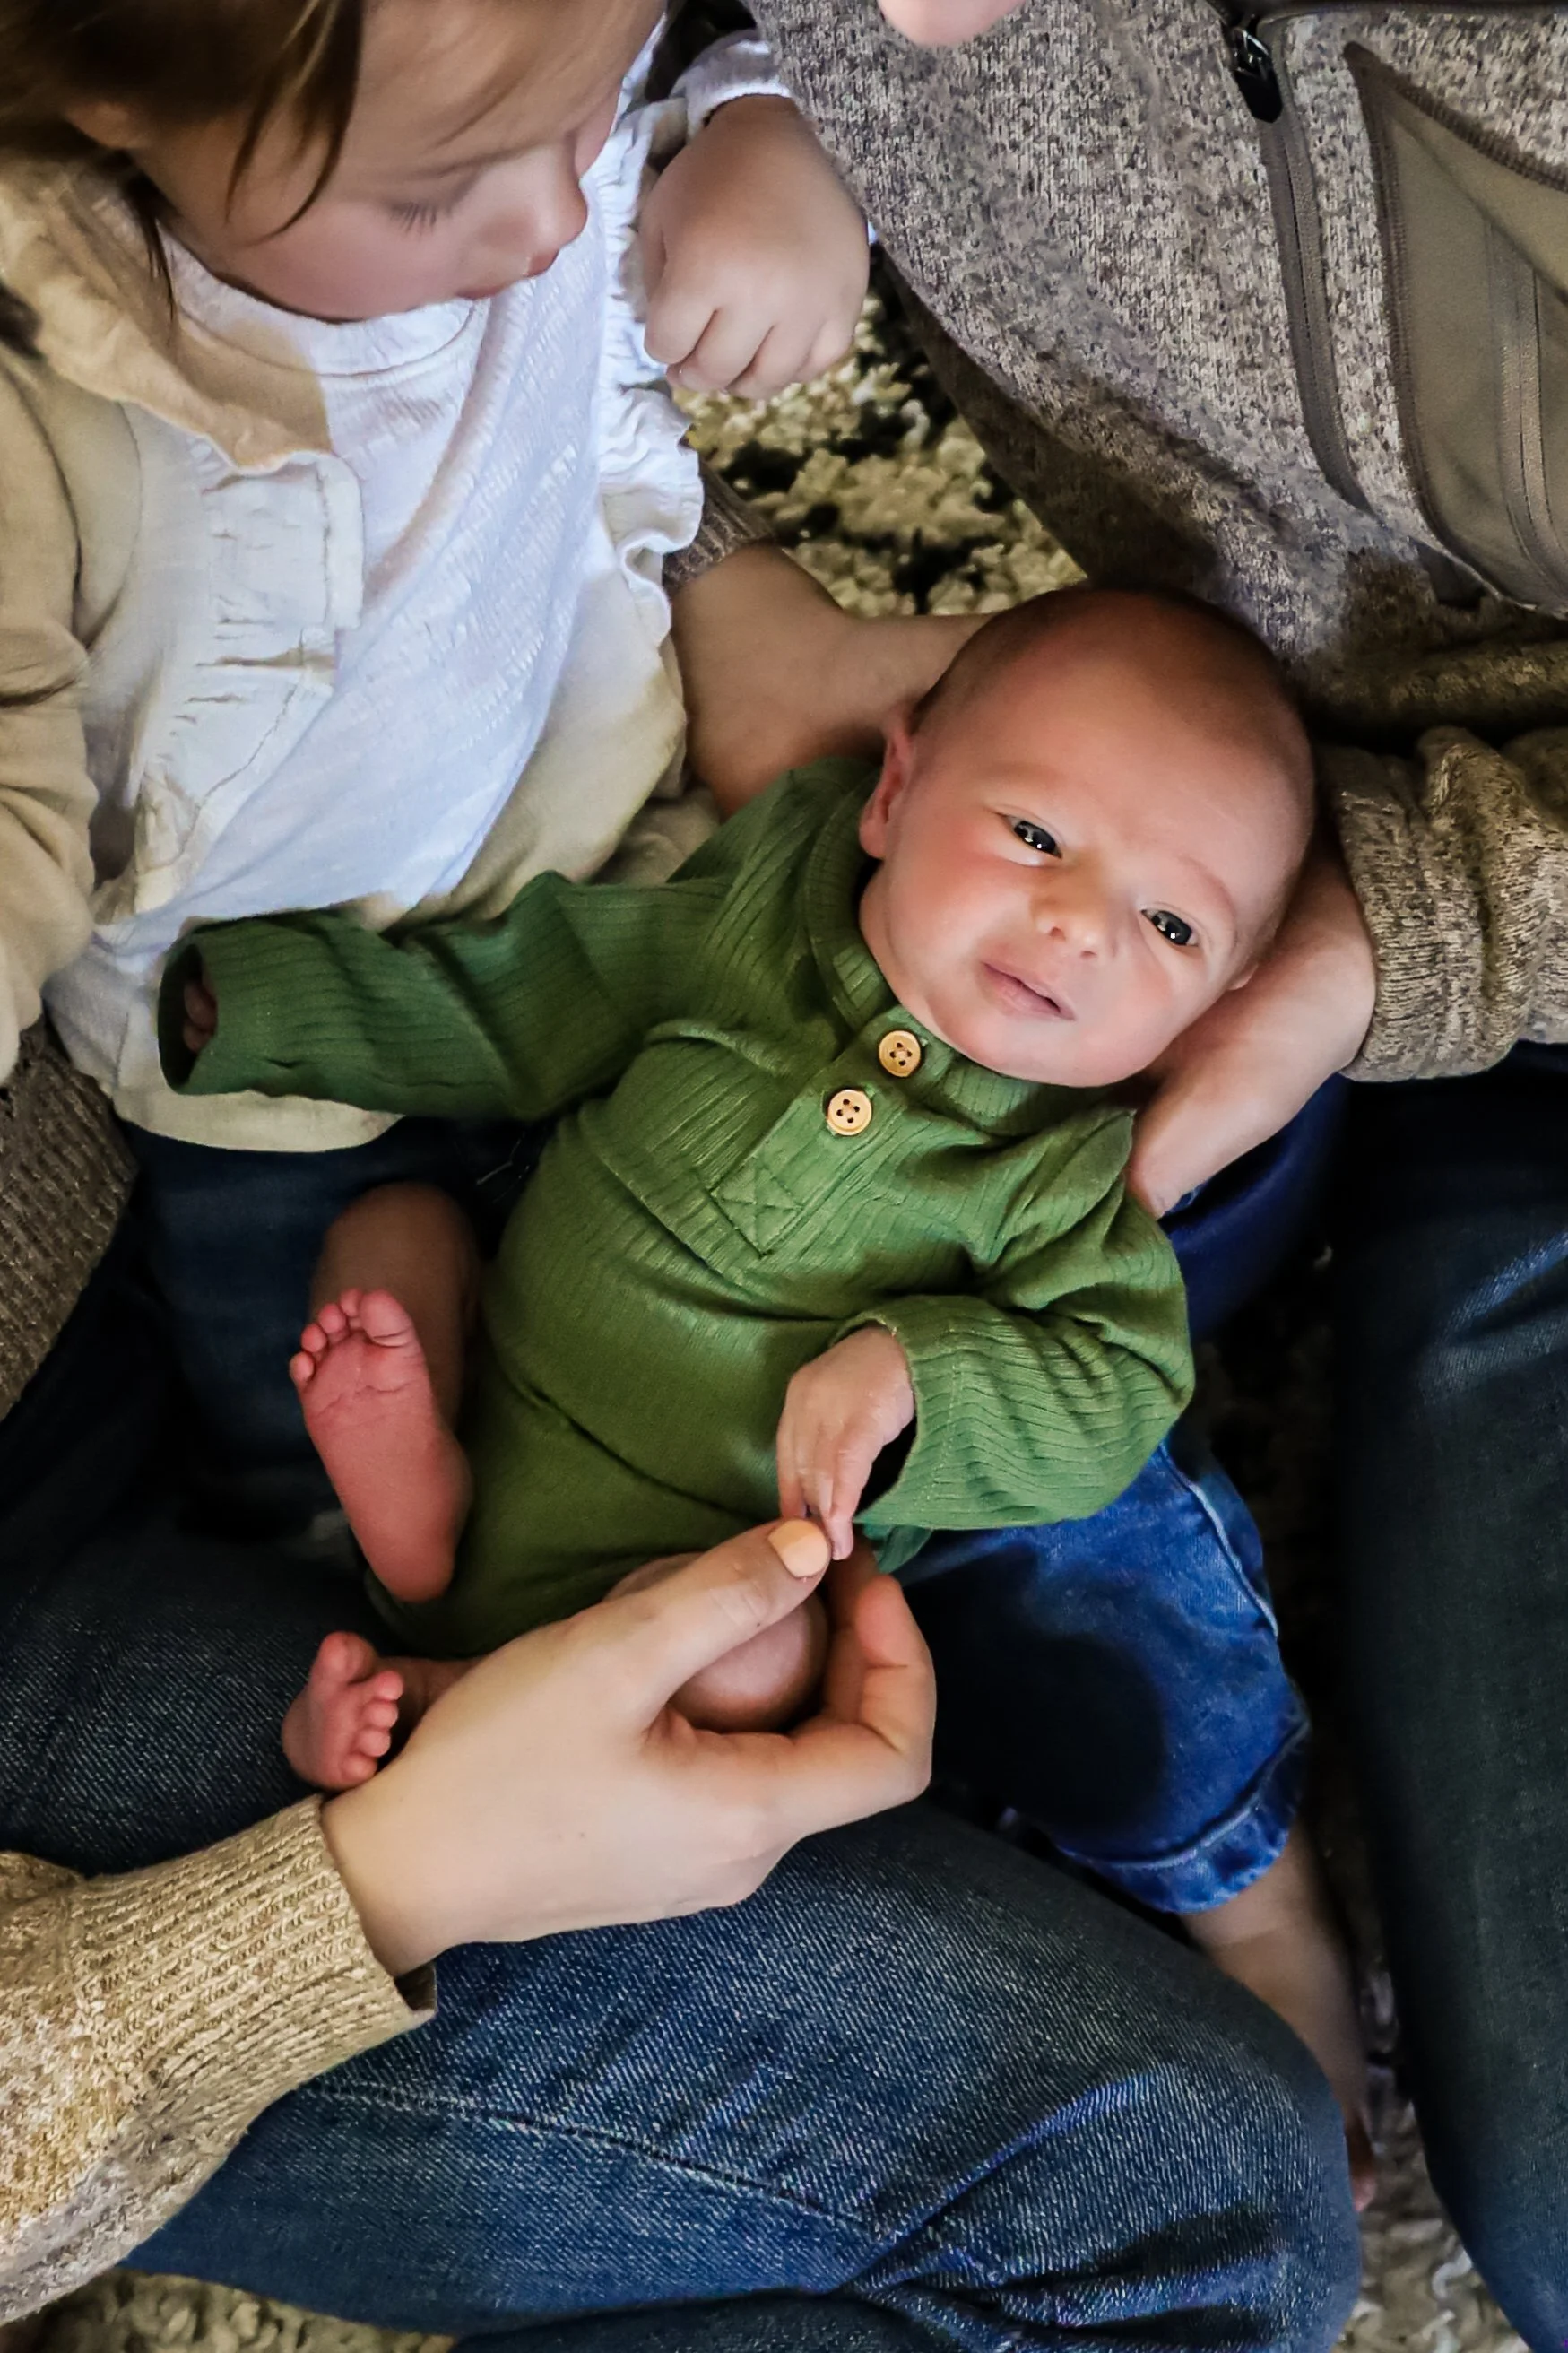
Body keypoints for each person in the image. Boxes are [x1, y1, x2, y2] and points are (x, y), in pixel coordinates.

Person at [158, 585, 1372, 2194]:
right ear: (890, 792)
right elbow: (530, 999)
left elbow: (1112, 1390)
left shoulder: (1064, 1185)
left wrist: (921, 1374)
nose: (1082, 925)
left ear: (1220, 1004)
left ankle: (408, 1690)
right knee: (391, 1244)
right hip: (508, 1399)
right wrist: (288, 1013)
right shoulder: (751, 924)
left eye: (1169, 926)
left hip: (713, 1572)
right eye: (1033, 833)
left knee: (809, 1626)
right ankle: (411, 1530)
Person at [743, 0, 1568, 2335]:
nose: (892, 34)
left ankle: (1217, 1852)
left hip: (1377, 916)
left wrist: (1393, 936)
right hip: (1265, 872)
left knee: (1048, 1398)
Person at [0, 1027, 1363, 2349]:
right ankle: (418, 1594)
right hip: (124, 1894)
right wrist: (391, 1872)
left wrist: (1344, 964)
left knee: (405, 1247)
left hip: (213, 1314)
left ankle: (416, 1575)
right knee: (1201, 2222)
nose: (1073, 925)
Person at [0, 0, 981, 1533]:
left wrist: (761, 127)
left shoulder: (509, 95)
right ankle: (392, 1598)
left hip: (603, 902)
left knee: (745, 1296)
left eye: (581, 113)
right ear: (118, 102)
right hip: (264, 1058)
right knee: (311, 1425)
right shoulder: (39, 364)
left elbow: (687, 71)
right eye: (433, 192)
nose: (546, 221)